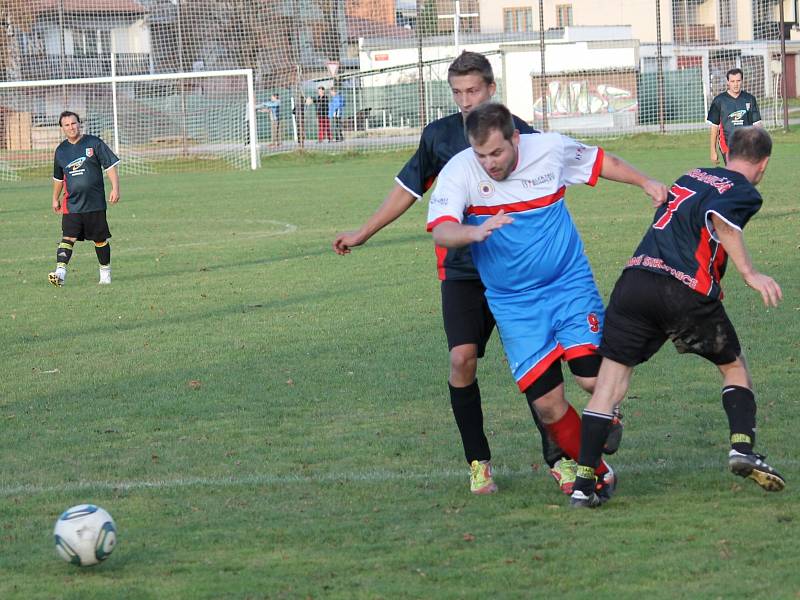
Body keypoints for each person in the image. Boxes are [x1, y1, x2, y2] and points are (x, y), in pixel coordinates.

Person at [334, 51, 588, 496]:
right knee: (460, 359)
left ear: (491, 89)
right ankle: (478, 461)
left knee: (536, 365)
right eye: (457, 92)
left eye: (473, 90)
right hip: (464, 273)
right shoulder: (439, 137)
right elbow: (407, 190)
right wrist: (363, 232)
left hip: (517, 275)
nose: (466, 100)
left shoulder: (519, 135)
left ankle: (562, 460)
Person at [427, 102, 667, 501]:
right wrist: (474, 232)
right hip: (514, 304)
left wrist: (645, 183)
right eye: (481, 154)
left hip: (567, 285)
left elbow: (602, 162)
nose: (489, 163)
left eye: (498, 153)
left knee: (593, 380)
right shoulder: (460, 169)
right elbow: (442, 231)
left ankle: (606, 414)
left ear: (515, 139)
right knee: (549, 408)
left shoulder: (549, 149)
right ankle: (600, 471)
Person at [569, 126, 784, 508]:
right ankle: (742, 449)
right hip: (683, 289)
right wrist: (749, 273)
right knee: (734, 368)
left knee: (609, 385)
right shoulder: (744, 190)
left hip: (635, 281)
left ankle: (584, 485)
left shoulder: (692, 174)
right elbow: (721, 220)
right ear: (763, 164)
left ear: (727, 148)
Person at [49, 111, 120, 287]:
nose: (71, 127)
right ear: (62, 128)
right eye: (67, 125)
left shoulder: (94, 143)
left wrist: (115, 188)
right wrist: (55, 198)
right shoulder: (61, 151)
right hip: (72, 204)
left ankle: (105, 273)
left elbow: (110, 166)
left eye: (74, 123)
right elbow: (58, 179)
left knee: (100, 239)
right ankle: (60, 273)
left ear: (79, 124)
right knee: (68, 237)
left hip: (94, 203)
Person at [708, 68, 762, 165]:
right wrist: (713, 150)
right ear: (728, 82)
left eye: (738, 81)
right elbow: (714, 127)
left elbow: (757, 124)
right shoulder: (719, 100)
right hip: (727, 145)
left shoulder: (750, 99)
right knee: (734, 172)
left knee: (744, 175)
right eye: (732, 81)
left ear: (742, 81)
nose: (735, 84)